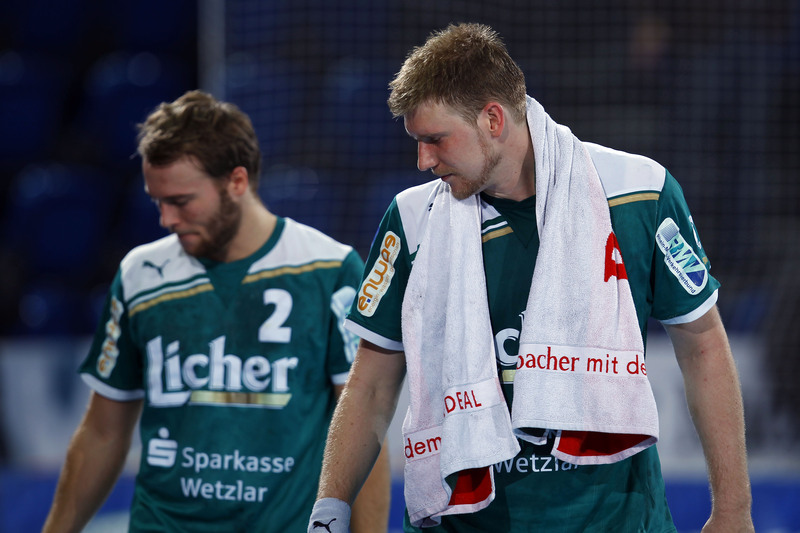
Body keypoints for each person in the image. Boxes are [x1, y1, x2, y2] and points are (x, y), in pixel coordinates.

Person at [309, 23, 753, 533]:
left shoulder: (639, 193)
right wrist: (329, 510)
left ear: (492, 119)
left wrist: (733, 511)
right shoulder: (411, 220)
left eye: (435, 139)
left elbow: (702, 347)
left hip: (615, 522)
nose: (423, 161)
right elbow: (369, 384)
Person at [42, 90, 390, 532]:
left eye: (181, 201)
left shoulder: (329, 269)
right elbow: (103, 432)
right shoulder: (140, 274)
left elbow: (361, 426)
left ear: (237, 182)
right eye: (157, 201)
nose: (166, 219)